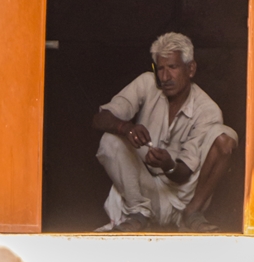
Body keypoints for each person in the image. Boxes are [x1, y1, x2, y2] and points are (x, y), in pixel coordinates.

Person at [93, 33, 238, 232]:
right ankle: (139, 212)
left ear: (191, 69)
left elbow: (183, 173)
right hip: (144, 194)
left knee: (225, 137)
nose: (165, 77)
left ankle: (193, 214)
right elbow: (100, 119)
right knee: (110, 140)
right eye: (160, 68)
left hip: (182, 199)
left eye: (173, 67)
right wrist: (126, 128)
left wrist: (167, 164)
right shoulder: (147, 83)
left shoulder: (207, 109)